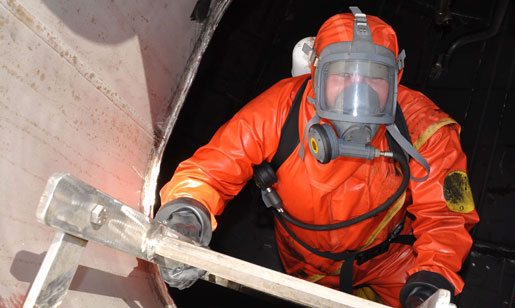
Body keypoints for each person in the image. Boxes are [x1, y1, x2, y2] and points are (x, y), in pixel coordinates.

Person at [155, 7, 479, 308]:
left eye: (373, 76)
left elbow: (445, 216)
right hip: (305, 261)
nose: (358, 92)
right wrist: (186, 217)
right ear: (315, 73)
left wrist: (432, 278)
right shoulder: (280, 109)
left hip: (389, 261)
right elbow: (212, 170)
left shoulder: (426, 129)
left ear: (396, 78)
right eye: (342, 75)